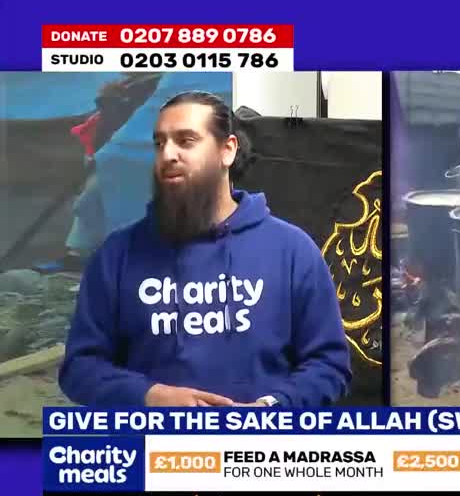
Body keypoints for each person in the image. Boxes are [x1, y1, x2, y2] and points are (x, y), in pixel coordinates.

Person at [59, 91, 352, 407]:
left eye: (185, 141)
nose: (168, 154)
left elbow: (329, 365)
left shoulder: (292, 250)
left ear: (227, 150)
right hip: (155, 450)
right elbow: (81, 367)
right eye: (160, 143)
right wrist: (148, 396)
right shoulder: (117, 254)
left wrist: (273, 409)